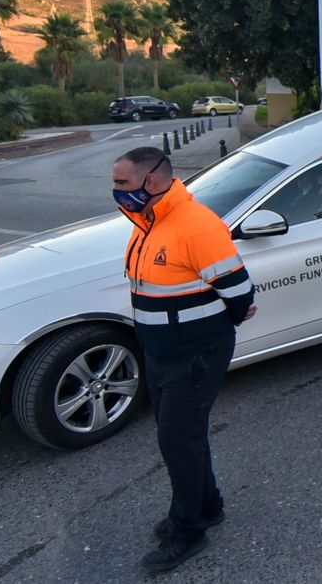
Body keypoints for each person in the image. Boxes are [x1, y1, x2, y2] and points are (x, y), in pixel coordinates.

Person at [112, 147, 255, 572]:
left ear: (150, 182)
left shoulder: (195, 226)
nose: (116, 192)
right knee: (183, 436)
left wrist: (206, 332)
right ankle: (207, 505)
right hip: (161, 351)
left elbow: (240, 293)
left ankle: (188, 530)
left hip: (194, 353)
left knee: (179, 440)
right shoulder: (147, 220)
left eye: (121, 183)